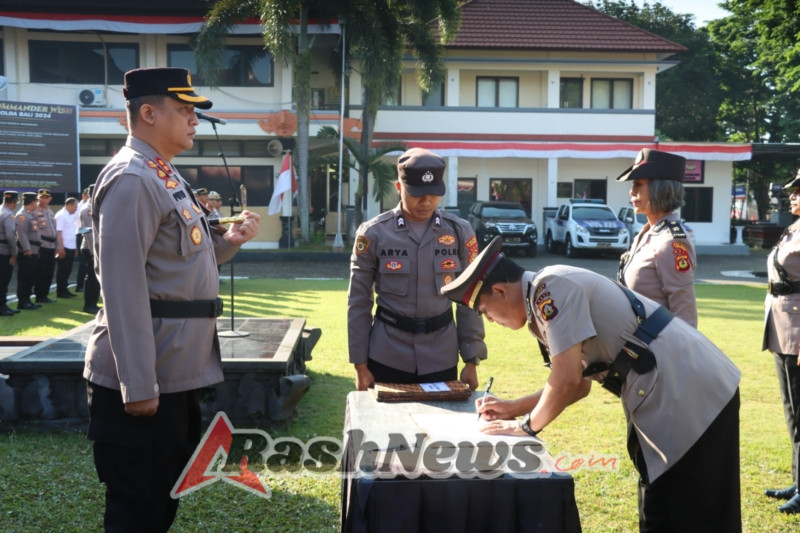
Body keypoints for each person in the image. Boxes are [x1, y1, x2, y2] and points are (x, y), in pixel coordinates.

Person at [441, 236, 742, 531]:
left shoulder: (551, 289)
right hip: (671, 393)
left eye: (485, 311)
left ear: (500, 291)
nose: (490, 321)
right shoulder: (542, 296)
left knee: (697, 513)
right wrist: (512, 408)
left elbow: (568, 380)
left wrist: (524, 427)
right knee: (661, 509)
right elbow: (578, 383)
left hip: (689, 393)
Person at [82, 67, 260, 532]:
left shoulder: (163, 174)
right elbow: (122, 288)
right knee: (137, 506)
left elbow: (178, 267)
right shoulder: (134, 179)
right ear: (147, 112)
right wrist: (138, 385)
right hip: (149, 378)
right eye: (184, 110)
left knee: (162, 498)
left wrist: (231, 240)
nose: (194, 119)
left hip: (176, 369)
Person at [348, 147, 486, 391]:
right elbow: (359, 301)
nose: (427, 201)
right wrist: (360, 364)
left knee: (438, 428)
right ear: (399, 188)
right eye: (418, 194)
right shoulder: (373, 233)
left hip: (441, 355)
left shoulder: (459, 231)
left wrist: (471, 358)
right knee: (388, 427)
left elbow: (469, 298)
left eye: (434, 194)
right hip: (387, 355)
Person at [616, 148, 697, 327]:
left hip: (657, 350)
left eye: (638, 184)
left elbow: (685, 313)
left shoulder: (672, 241)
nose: (632, 191)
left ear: (661, 189)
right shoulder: (647, 234)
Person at [762, 170, 800, 514]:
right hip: (783, 330)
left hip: (799, 334)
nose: (792, 196)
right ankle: (798, 480)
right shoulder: (794, 228)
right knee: (792, 412)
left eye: (799, 191)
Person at [15, 192, 41, 310]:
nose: (37, 204)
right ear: (32, 202)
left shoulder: (30, 214)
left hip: (34, 249)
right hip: (27, 251)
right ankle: (23, 301)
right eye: (36, 201)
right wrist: (27, 249)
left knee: (31, 276)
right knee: (25, 277)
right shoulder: (22, 215)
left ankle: (28, 300)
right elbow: (21, 234)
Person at [33, 189, 58, 304]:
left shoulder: (50, 211)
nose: (43, 200)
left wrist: (57, 246)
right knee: (40, 271)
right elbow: (34, 230)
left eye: (45, 198)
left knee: (49, 271)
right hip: (41, 245)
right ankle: (39, 295)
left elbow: (54, 229)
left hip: (51, 245)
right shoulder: (34, 211)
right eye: (41, 198)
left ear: (50, 199)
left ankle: (45, 295)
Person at [78, 193, 100, 315]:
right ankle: (88, 305)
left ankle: (93, 303)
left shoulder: (95, 207)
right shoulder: (87, 210)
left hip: (95, 248)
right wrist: (93, 252)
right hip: (90, 249)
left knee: (96, 278)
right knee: (91, 277)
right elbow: (89, 232)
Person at [54, 197, 79, 298]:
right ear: (69, 205)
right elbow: (58, 233)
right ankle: (61, 291)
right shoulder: (61, 215)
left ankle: (65, 289)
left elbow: (72, 231)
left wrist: (76, 247)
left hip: (71, 246)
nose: (76, 209)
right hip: (65, 247)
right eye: (75, 207)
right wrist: (61, 248)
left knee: (68, 269)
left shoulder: (70, 215)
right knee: (62, 270)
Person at [0, 191, 20, 316]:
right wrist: (14, 253)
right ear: (14, 202)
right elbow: (10, 236)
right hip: (4, 251)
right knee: (3, 280)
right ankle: (2, 307)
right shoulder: (8, 215)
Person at [75, 187, 91, 293]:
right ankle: (80, 285)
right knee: (83, 264)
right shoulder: (80, 207)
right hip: (82, 235)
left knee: (88, 265)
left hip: (86, 233)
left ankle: (83, 285)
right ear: (84, 196)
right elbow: (78, 226)